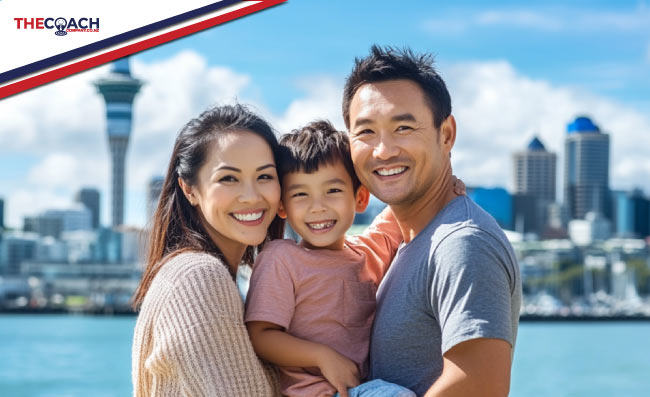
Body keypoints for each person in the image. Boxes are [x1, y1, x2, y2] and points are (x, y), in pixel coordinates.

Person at [342, 45, 522, 397]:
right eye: (365, 132)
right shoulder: (409, 238)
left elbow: (479, 387)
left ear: (446, 134)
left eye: (404, 127)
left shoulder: (463, 243)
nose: (383, 150)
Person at [244, 120, 416, 397]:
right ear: (282, 206)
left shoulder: (368, 252)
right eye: (300, 194)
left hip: (364, 388)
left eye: (333, 191)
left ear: (360, 198)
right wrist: (323, 356)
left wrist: (447, 189)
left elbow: (402, 209)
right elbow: (260, 336)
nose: (318, 207)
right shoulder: (281, 258)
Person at [131, 104, 284, 396]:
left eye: (265, 176)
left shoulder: (191, 273)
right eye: (229, 178)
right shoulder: (198, 277)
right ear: (190, 189)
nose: (251, 196)